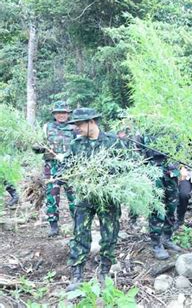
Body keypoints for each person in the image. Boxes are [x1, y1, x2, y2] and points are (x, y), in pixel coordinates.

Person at [65, 108, 126, 291]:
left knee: (109, 235)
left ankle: (104, 272)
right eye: (75, 124)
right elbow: (68, 166)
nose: (77, 128)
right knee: (80, 234)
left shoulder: (113, 142)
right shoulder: (76, 144)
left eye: (79, 124)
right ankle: (77, 274)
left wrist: (108, 178)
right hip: (85, 196)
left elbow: (126, 166)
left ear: (91, 122)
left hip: (107, 197)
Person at [133, 134, 182, 260]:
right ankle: (156, 243)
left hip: (171, 173)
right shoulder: (144, 131)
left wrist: (177, 165)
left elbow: (181, 150)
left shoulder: (173, 129)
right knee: (157, 208)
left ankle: (167, 238)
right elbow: (137, 152)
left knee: (171, 207)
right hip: (153, 174)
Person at [36, 101, 76, 237]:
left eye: (64, 112)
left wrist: (67, 156)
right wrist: (38, 147)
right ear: (54, 114)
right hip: (51, 166)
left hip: (71, 167)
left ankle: (78, 223)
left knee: (74, 196)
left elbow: (80, 146)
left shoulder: (75, 127)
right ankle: (53, 225)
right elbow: (38, 146)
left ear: (68, 114)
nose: (61, 115)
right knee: (52, 196)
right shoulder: (47, 127)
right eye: (59, 112)